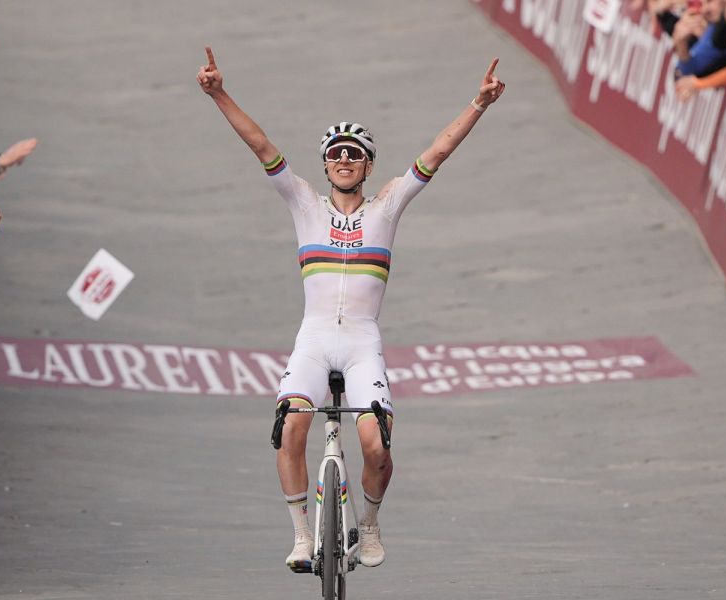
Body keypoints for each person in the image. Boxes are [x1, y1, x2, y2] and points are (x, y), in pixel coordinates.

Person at [198, 46, 505, 571]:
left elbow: (438, 152)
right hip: (314, 339)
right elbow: (261, 144)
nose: (344, 159)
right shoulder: (303, 203)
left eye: (354, 154)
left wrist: (478, 103)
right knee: (291, 428)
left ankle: (369, 524)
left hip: (362, 341)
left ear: (367, 166)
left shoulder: (387, 205)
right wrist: (218, 93)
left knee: (377, 446)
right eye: (336, 153)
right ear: (324, 164)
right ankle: (300, 534)